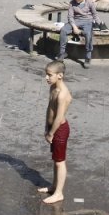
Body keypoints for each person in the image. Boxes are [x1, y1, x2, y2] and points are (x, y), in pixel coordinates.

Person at [40, 60, 72, 205]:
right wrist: (46, 127)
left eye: (49, 75)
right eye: (46, 74)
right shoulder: (53, 88)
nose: (47, 78)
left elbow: (59, 117)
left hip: (60, 130)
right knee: (56, 160)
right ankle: (54, 186)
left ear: (60, 75)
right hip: (52, 128)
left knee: (60, 162)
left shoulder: (63, 94)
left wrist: (51, 133)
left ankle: (59, 193)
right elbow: (49, 108)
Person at [57, 0, 97, 68]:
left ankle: (88, 56)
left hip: (87, 22)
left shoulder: (90, 3)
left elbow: (94, 14)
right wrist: (74, 27)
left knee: (88, 34)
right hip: (75, 21)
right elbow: (70, 16)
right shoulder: (72, 3)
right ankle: (62, 53)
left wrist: (98, 24)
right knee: (63, 30)